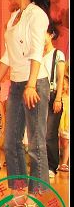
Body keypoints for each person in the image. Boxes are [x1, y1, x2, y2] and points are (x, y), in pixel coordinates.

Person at [0, 0, 52, 207]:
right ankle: (18, 195)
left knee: (35, 142)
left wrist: (31, 85)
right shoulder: (14, 17)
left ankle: (34, 200)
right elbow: (7, 56)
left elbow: (36, 51)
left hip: (35, 83)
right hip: (16, 84)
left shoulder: (37, 14)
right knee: (11, 141)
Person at [43, 25, 66, 177]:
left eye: (43, 33)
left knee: (50, 133)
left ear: (51, 35)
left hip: (52, 95)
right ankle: (41, 165)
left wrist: (58, 98)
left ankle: (52, 166)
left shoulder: (58, 54)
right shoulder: (38, 54)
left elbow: (60, 77)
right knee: (38, 132)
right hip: (39, 95)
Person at [57, 74, 69, 172]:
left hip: (66, 123)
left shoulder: (68, 97)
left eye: (65, 84)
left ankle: (64, 163)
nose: (63, 86)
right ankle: (55, 162)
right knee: (55, 142)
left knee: (66, 143)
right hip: (57, 122)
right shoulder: (57, 97)